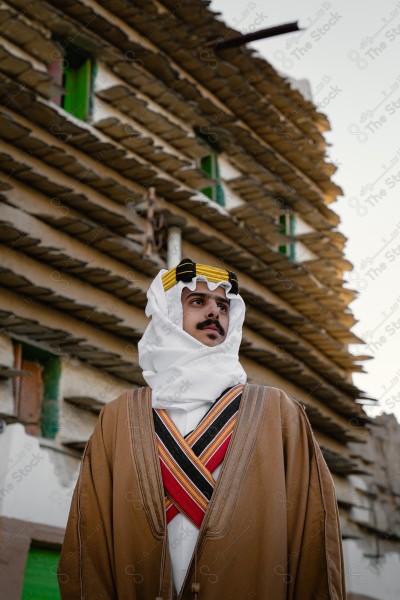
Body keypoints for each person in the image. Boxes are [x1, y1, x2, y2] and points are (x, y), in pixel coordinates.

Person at [58, 258, 346, 599]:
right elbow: (87, 542)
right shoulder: (118, 418)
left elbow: (315, 537)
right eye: (197, 301)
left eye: (223, 306)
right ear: (167, 314)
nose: (214, 313)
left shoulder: (280, 413)